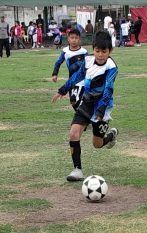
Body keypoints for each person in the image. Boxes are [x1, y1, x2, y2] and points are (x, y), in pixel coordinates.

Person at [52, 31, 119, 181]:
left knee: (97, 144)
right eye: (97, 51)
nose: (100, 55)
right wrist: (62, 90)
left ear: (110, 51)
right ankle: (77, 170)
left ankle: (111, 135)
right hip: (87, 102)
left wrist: (101, 109)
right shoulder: (88, 61)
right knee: (73, 134)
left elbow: (108, 88)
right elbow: (77, 76)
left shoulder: (111, 66)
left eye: (104, 51)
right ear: (93, 49)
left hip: (103, 106)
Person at [52, 29, 88, 111]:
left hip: (83, 80)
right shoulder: (65, 51)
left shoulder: (84, 52)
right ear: (68, 39)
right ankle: (84, 116)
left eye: (76, 38)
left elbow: (89, 65)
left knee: (75, 99)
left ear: (79, 39)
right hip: (71, 80)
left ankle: (84, 118)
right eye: (72, 38)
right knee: (73, 102)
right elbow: (58, 63)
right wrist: (55, 74)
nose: (74, 40)